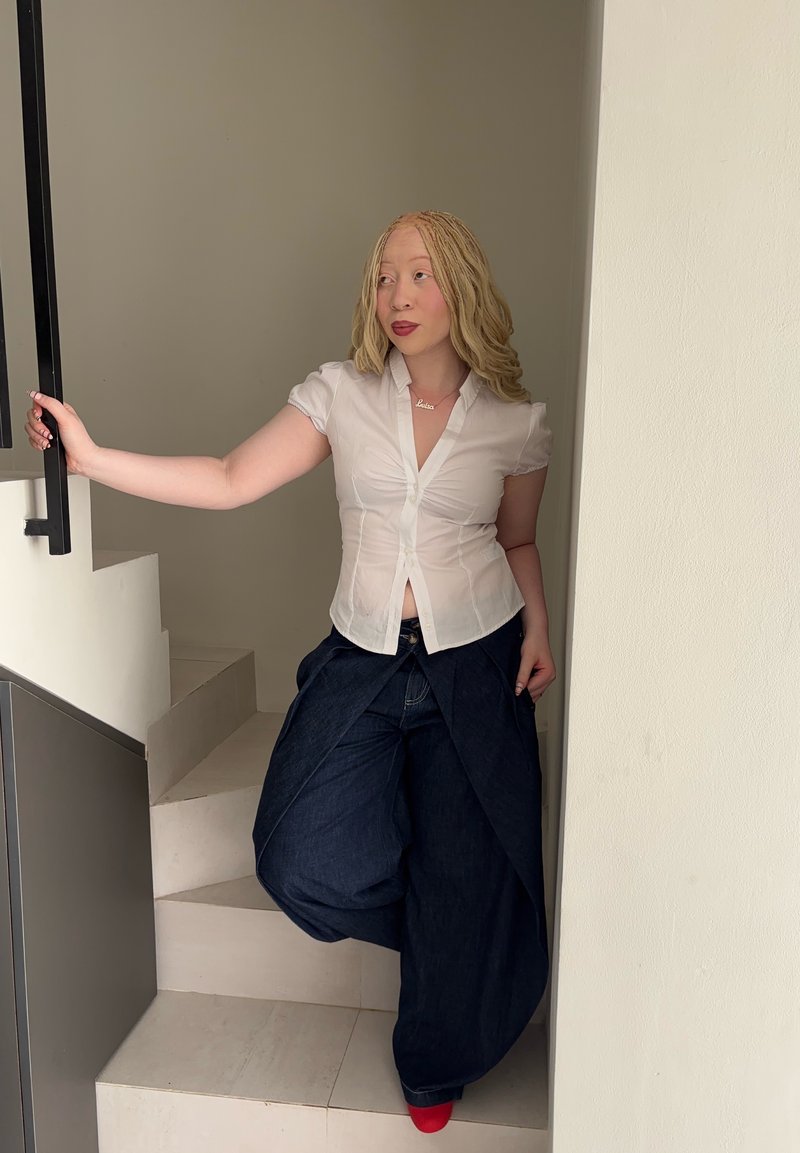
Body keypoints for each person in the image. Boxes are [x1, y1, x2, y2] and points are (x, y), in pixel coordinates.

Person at [25, 209, 555, 1134]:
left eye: (421, 275)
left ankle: (437, 1044)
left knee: (479, 868)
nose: (399, 295)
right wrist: (92, 457)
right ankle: (449, 933)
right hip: (363, 655)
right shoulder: (339, 396)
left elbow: (516, 538)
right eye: (386, 277)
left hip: (478, 660)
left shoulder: (514, 422)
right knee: (294, 853)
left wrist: (540, 627)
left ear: (461, 283)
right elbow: (231, 476)